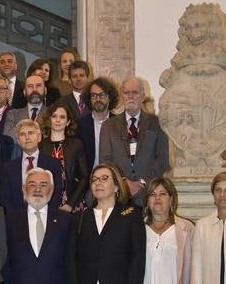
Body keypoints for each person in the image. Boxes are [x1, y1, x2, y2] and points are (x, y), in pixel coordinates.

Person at [99, 76, 169, 207]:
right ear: (122, 96)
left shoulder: (157, 123)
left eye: (135, 92)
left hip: (148, 195)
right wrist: (124, 183)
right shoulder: (108, 126)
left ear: (143, 96)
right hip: (119, 195)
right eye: (126, 92)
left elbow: (162, 159)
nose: (130, 96)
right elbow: (105, 160)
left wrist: (142, 182)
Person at [0, 119, 63, 213]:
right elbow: (4, 197)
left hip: (46, 217)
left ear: (39, 137)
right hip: (16, 220)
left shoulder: (53, 164)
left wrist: (46, 215)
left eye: (31, 133)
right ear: (18, 141)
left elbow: (56, 193)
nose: (27, 137)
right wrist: (17, 217)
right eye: (22, 134)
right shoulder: (8, 168)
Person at [39, 103, 89, 211]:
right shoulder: (41, 145)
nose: (58, 120)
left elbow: (85, 177)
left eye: (62, 117)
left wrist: (70, 204)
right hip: (46, 205)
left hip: (72, 204)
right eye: (54, 116)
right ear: (49, 119)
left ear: (68, 122)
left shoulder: (77, 144)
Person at [76, 76, 119, 169]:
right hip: (88, 178)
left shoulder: (119, 123)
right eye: (94, 95)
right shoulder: (80, 125)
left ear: (110, 97)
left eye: (102, 95)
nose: (97, 99)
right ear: (89, 99)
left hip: (114, 177)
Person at [3, 74, 49, 143]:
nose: (34, 90)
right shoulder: (13, 114)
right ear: (24, 92)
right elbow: (8, 136)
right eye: (30, 86)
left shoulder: (52, 114)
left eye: (38, 85)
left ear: (45, 90)